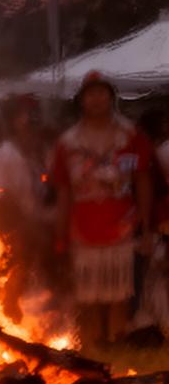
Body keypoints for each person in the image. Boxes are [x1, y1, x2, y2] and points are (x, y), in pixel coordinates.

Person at [53, 72, 153, 345]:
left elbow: (143, 181)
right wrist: (60, 237)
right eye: (90, 93)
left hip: (121, 225)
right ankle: (95, 344)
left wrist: (145, 227)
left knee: (120, 292)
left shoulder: (130, 135)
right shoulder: (68, 143)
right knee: (88, 296)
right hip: (83, 229)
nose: (96, 99)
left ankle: (117, 340)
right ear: (81, 100)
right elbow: (63, 193)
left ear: (111, 96)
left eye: (101, 92)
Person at [0, 95, 52, 323]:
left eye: (34, 116)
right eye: (25, 116)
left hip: (32, 233)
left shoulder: (37, 156)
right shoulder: (4, 155)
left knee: (28, 283)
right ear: (13, 121)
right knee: (6, 282)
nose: (31, 122)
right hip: (6, 234)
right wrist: (23, 229)